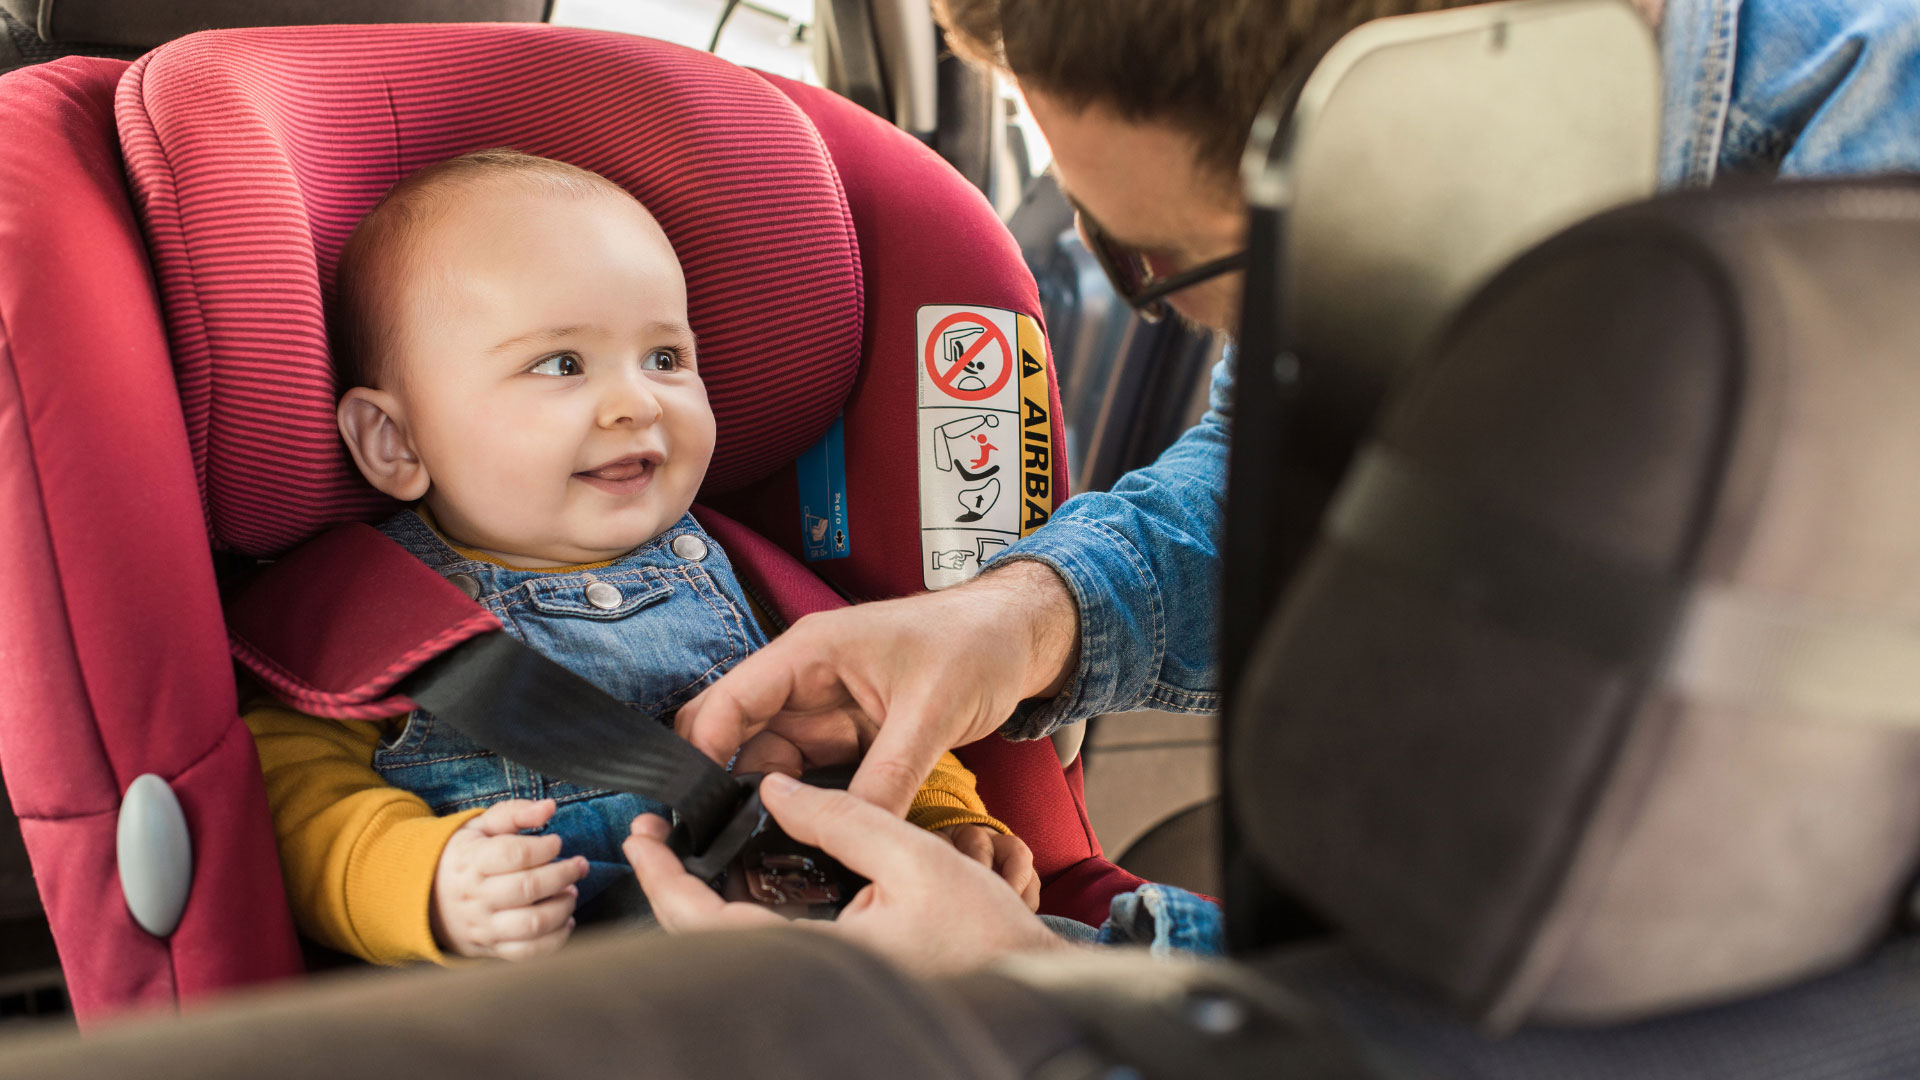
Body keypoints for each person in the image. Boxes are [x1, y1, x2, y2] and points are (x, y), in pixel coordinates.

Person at [635, 0, 1920, 965]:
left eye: (1162, 265)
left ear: (1428, 128)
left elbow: (1741, 990)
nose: (1183, 329)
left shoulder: (1876, 241)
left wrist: (1053, 991)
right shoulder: (1429, 201)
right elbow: (1298, 456)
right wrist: (1022, 619)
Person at [241, 149, 1040, 966]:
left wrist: (944, 820)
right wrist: (432, 885)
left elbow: (874, 713)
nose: (636, 403)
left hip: (843, 950)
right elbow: (296, 802)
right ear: (396, 440)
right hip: (594, 1003)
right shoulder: (366, 621)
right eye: (561, 365)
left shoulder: (747, 576)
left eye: (665, 358)